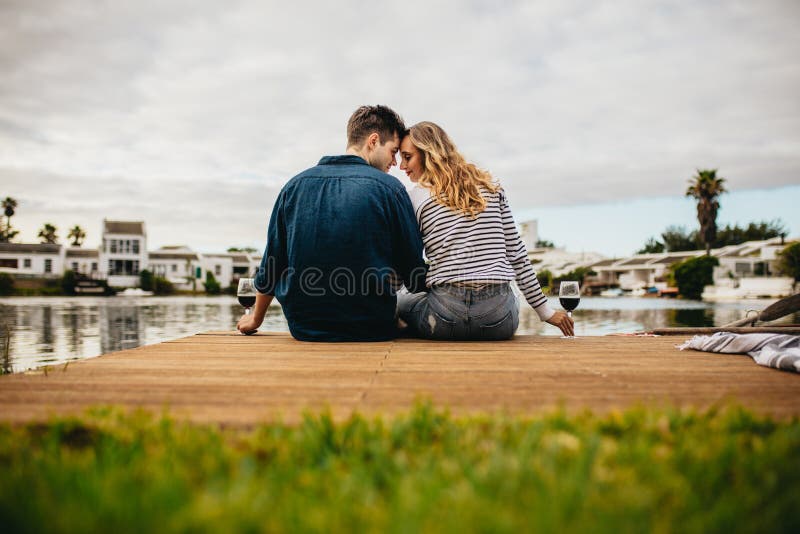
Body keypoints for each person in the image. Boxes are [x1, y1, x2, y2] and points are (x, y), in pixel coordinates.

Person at [237, 105, 427, 341]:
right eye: (393, 151)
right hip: (373, 327)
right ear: (373, 141)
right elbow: (413, 268)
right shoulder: (390, 189)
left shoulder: (294, 186)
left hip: (305, 328)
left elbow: (273, 261)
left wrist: (256, 317)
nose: (394, 162)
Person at [397, 121, 574, 339]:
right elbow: (516, 254)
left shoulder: (416, 198)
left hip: (445, 319)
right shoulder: (491, 187)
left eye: (407, 157)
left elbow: (406, 258)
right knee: (510, 297)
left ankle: (409, 328)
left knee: (400, 301)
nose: (402, 167)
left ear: (429, 154)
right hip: (499, 321)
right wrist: (545, 312)